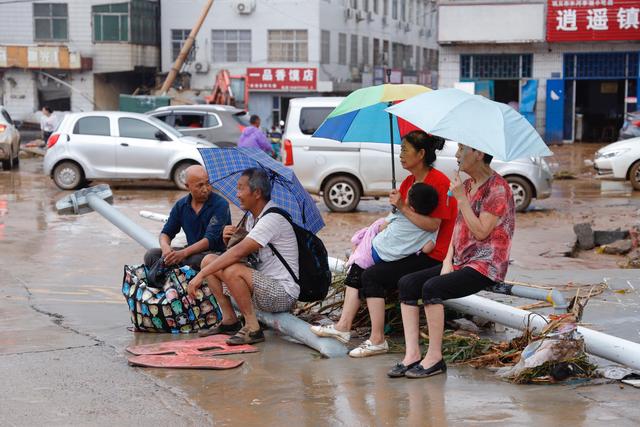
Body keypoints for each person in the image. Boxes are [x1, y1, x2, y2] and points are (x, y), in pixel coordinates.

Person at [311, 131, 458, 357]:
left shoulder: (438, 182)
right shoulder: (409, 181)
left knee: (372, 275)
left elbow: (431, 226)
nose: (400, 155)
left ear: (420, 154)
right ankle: (344, 327)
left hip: (432, 255)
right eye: (400, 150)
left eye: (404, 150)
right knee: (362, 267)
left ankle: (376, 338)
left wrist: (402, 207)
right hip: (411, 248)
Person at [389, 144, 515, 379]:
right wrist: (448, 261)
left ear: (478, 154)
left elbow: (480, 232)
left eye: (462, 149)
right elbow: (457, 230)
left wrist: (462, 200)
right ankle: (412, 354)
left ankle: (435, 358)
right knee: (407, 283)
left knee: (432, 287)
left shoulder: (498, 189)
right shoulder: (466, 185)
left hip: (486, 265)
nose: (457, 155)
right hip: (460, 261)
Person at [187, 168, 299, 345]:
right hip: (261, 287)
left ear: (256, 193)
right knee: (208, 260)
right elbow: (243, 257)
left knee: (231, 269)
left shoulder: (272, 219)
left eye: (240, 189)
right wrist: (228, 240)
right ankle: (230, 321)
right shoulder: (252, 218)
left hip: (282, 293)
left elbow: (237, 254)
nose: (237, 194)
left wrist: (200, 276)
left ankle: (253, 328)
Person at [143, 165, 231, 271]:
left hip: (214, 254)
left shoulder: (221, 204)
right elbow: (166, 233)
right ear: (187, 186)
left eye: (208, 183)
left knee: (195, 260)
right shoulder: (181, 205)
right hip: (191, 252)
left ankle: (172, 274)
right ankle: (171, 278)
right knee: (151, 255)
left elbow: (210, 240)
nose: (205, 189)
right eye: (200, 185)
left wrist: (183, 253)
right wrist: (165, 248)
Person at [347, 183, 440, 271]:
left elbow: (381, 228)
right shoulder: (430, 229)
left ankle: (353, 261)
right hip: (395, 261)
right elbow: (427, 249)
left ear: (411, 208)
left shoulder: (399, 213)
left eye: (406, 197)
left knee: (359, 241)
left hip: (376, 252)